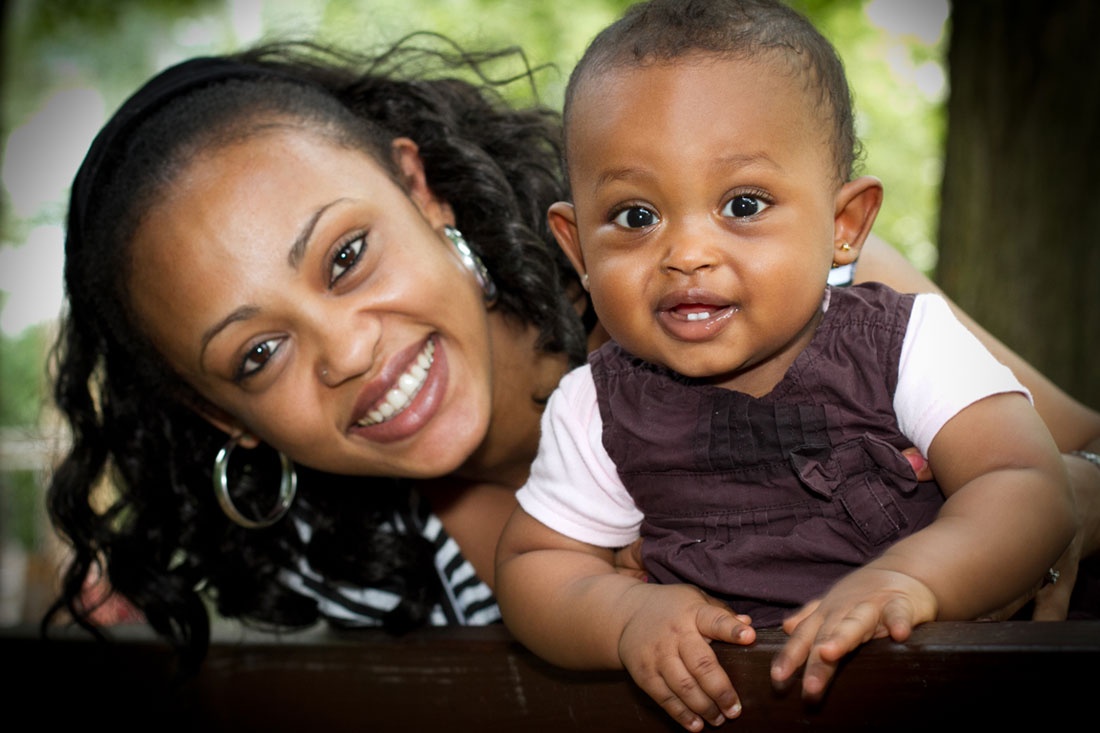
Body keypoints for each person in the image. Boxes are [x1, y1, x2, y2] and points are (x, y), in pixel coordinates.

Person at [45, 25, 1100, 680]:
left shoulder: (755, 298)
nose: (346, 351)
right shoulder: (345, 563)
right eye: (258, 353)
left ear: (419, 188)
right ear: (222, 416)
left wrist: (1024, 510)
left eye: (347, 255)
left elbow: (1079, 460)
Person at [493, 1, 1082, 729]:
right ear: (579, 248)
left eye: (742, 203)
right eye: (637, 216)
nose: (687, 252)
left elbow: (1026, 483)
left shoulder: (902, 345)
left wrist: (913, 576)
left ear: (844, 227)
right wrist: (624, 612)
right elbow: (533, 565)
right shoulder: (600, 408)